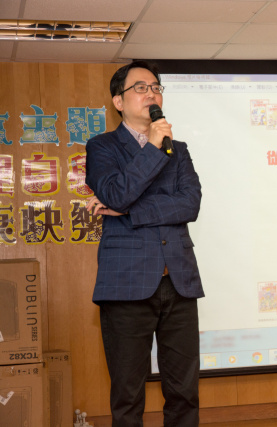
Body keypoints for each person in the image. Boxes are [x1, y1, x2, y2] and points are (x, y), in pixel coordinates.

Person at [85, 60, 203, 427]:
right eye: (140, 87)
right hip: (126, 284)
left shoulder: (178, 150)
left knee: (184, 392)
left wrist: (130, 212)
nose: (151, 93)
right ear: (118, 101)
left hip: (178, 282)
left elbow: (190, 205)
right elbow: (116, 194)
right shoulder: (102, 147)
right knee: (128, 395)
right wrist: (152, 147)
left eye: (155, 87)